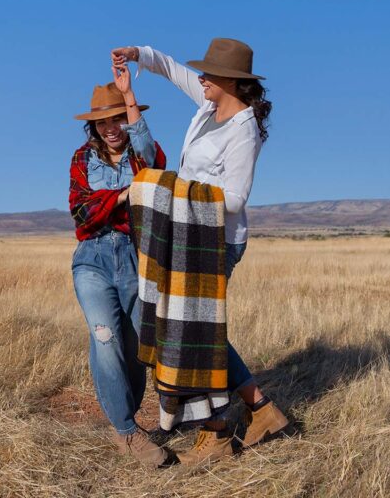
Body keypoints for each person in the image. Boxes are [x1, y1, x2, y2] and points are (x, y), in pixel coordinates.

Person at [112, 38, 289, 465]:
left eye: (209, 73)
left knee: (193, 333)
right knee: (195, 330)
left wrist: (175, 189)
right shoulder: (209, 104)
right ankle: (260, 409)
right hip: (187, 232)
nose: (202, 78)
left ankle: (218, 434)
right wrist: (138, 55)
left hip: (216, 239)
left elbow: (234, 198)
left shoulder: (243, 128)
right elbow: (172, 69)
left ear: (230, 81)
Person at [68, 65, 168, 467]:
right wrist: (126, 194)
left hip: (134, 256)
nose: (111, 128)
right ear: (92, 127)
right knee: (104, 337)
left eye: (117, 120)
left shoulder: (142, 157)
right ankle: (126, 432)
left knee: (137, 347)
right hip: (92, 258)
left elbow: (154, 164)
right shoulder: (80, 159)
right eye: (102, 122)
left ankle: (134, 414)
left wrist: (129, 97)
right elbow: (81, 213)